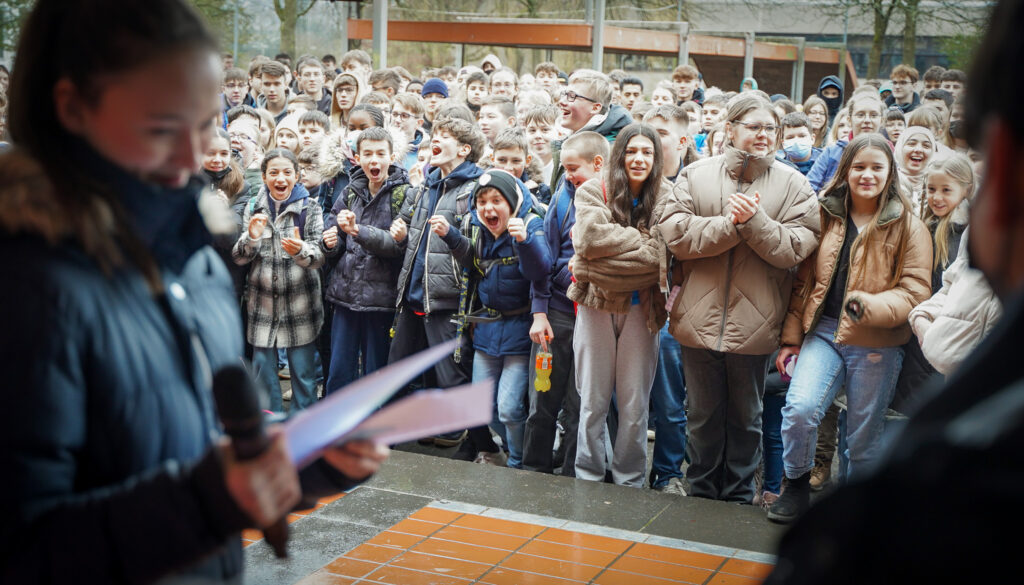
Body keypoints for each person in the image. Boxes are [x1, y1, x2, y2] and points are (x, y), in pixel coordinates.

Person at [0, 1, 387, 583]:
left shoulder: (192, 256)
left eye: (207, 124)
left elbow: (185, 440)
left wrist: (296, 461)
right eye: (162, 127)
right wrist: (208, 499)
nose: (192, 158)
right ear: (72, 109)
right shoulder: (26, 287)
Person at [659, 95, 820, 503]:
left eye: (769, 128)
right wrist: (730, 225)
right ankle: (700, 492)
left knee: (747, 419)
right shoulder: (696, 176)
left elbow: (797, 247)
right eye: (753, 126)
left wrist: (756, 222)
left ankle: (737, 496)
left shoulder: (795, 184)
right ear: (730, 129)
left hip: (758, 324)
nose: (762, 134)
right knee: (702, 416)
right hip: (697, 320)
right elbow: (676, 234)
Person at [767, 133, 932, 523]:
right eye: (859, 167)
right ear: (845, 171)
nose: (867, 175)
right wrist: (791, 338)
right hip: (822, 332)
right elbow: (803, 281)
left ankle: (857, 511)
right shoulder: (825, 213)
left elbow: (915, 290)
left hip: (877, 341)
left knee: (862, 437)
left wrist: (872, 306)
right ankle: (796, 486)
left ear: (889, 172)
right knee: (800, 410)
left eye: (877, 167)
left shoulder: (910, 226)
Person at [570, 123, 671, 487]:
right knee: (593, 402)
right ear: (619, 155)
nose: (639, 158)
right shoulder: (592, 190)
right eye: (631, 151)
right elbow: (588, 239)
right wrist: (642, 246)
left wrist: (595, 265)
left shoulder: (668, 195)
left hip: (644, 310)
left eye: (647, 152)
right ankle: (588, 475)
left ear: (656, 158)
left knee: (634, 407)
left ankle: (629, 479)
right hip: (596, 306)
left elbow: (663, 255)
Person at [444, 169, 551, 467]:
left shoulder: (530, 224)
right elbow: (472, 262)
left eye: (496, 200)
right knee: (483, 408)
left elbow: (542, 270)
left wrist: (526, 241)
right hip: (487, 330)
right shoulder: (477, 229)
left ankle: (518, 462)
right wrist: (450, 236)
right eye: (482, 202)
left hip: (520, 332)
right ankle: (508, 451)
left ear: (513, 204)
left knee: (508, 408)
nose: (488, 208)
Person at [521, 131, 608, 476]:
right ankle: (533, 468)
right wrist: (539, 312)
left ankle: (574, 474)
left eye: (574, 168)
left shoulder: (614, 199)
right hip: (557, 312)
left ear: (598, 164)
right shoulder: (561, 199)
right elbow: (545, 263)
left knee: (580, 404)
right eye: (565, 169)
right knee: (542, 399)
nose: (568, 175)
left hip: (594, 313)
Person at [233, 148, 325, 414]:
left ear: (297, 175)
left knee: (304, 376)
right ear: (264, 176)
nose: (280, 178)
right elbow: (239, 257)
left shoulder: (310, 207)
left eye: (287, 172)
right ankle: (270, 430)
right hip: (261, 306)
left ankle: (302, 432)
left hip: (301, 305)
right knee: (264, 377)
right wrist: (251, 237)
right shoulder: (253, 206)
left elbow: (320, 256)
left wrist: (301, 252)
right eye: (273, 172)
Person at [321, 127, 410, 395]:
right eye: (368, 154)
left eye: (381, 154)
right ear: (357, 158)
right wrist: (329, 242)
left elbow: (396, 246)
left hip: (381, 301)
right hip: (344, 295)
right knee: (339, 371)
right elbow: (333, 238)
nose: (374, 160)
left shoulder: (405, 194)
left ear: (392, 156)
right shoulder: (349, 191)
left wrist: (358, 231)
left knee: (376, 373)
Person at [895, 125, 938, 213]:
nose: (918, 150)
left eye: (926, 146)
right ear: (900, 148)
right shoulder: (888, 182)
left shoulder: (938, 185)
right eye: (911, 144)